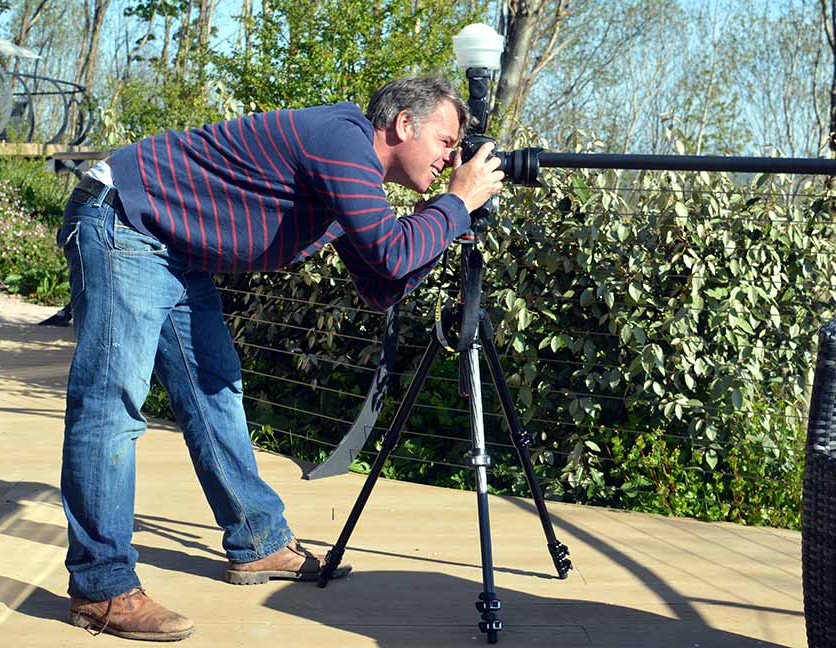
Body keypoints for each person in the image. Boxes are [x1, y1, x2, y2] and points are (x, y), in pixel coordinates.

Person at [57, 75, 505, 641]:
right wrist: (456, 204)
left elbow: (379, 284)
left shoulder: (351, 173)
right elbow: (393, 256)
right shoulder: (342, 142)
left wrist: (448, 224)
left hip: (173, 245)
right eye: (445, 141)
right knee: (112, 404)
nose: (450, 158)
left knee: (214, 389)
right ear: (403, 125)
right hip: (124, 219)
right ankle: (101, 587)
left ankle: (258, 541)